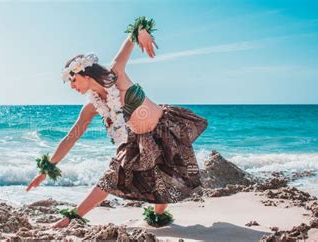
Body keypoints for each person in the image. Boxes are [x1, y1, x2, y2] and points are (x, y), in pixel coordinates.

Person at [26, 16, 208, 229]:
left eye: (73, 80)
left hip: (164, 128)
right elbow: (70, 138)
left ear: (84, 73)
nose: (72, 86)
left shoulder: (116, 73)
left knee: (165, 183)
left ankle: (158, 216)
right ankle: (70, 219)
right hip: (136, 142)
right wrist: (46, 168)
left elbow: (132, 36)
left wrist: (142, 33)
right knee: (110, 178)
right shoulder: (91, 107)